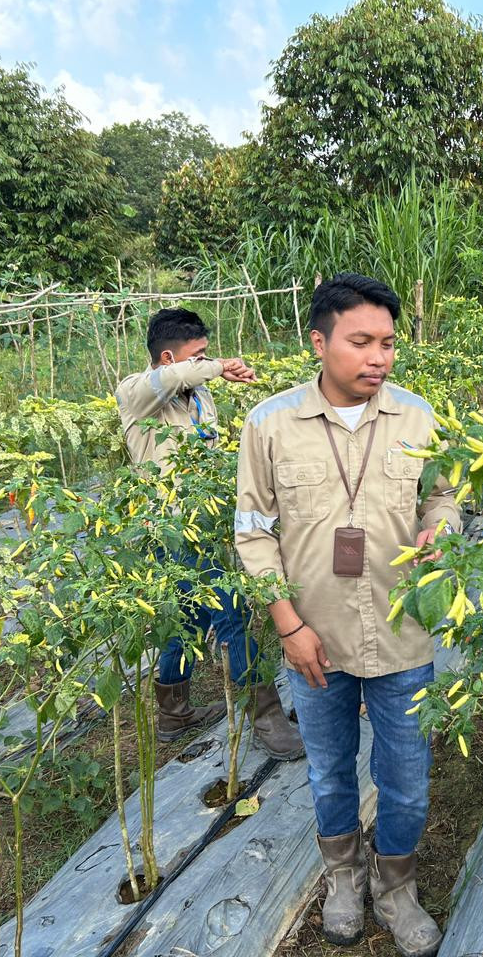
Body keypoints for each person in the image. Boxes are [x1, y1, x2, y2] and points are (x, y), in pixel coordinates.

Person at [234, 273, 459, 957]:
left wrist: (438, 531)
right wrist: (288, 625)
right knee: (330, 772)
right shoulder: (269, 424)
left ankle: (396, 887)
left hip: (402, 633)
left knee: (407, 779)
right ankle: (343, 878)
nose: (379, 357)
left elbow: (445, 496)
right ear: (320, 341)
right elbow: (252, 530)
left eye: (388, 343)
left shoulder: (420, 416)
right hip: (315, 640)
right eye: (361, 341)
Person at [115, 307, 304, 758]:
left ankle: (173, 712)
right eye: (198, 357)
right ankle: (266, 717)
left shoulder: (199, 397)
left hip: (205, 522)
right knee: (231, 612)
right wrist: (223, 367)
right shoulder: (136, 393)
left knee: (186, 618)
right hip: (172, 528)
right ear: (167, 358)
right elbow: (163, 383)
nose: (207, 363)